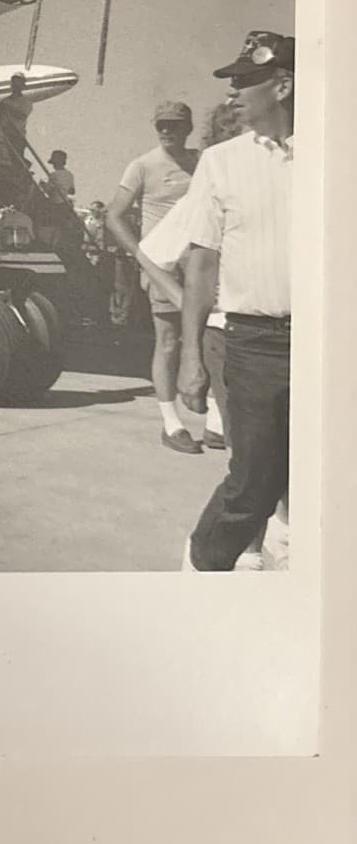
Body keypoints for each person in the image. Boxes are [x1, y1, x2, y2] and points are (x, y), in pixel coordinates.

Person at [178, 31, 294, 572]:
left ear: (285, 85)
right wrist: (191, 360)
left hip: (331, 342)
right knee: (253, 484)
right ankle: (202, 567)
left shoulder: (336, 151)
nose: (231, 93)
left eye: (245, 82)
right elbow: (200, 266)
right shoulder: (220, 162)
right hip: (256, 345)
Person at [106, 101, 200, 451]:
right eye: (161, 124)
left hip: (202, 265)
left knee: (210, 340)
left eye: (174, 125)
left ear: (187, 128)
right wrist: (143, 258)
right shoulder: (142, 166)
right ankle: (172, 424)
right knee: (169, 341)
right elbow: (113, 216)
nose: (166, 131)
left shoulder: (203, 162)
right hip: (163, 267)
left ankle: (219, 422)